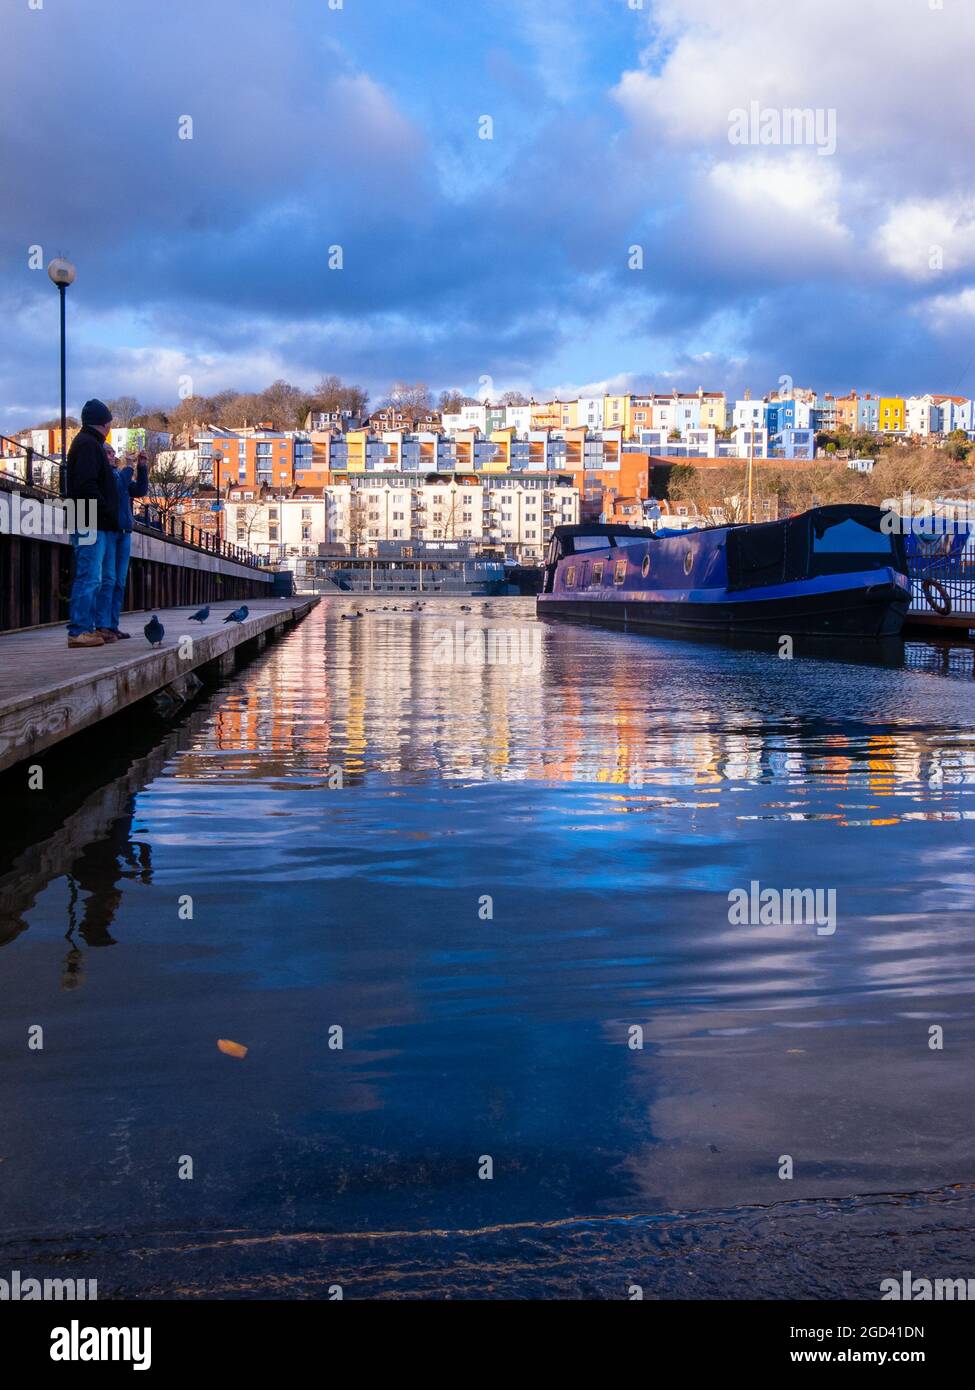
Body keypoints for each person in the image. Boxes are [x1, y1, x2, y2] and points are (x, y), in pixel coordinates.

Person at [65, 399, 120, 648]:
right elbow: (86, 484)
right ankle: (79, 631)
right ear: (105, 423)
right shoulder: (88, 445)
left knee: (93, 576)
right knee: (89, 576)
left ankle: (88, 627)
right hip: (88, 517)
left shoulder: (88, 443)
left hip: (87, 516)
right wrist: (106, 508)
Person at [100, 443, 149, 639]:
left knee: (119, 581)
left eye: (113, 452)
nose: (112, 456)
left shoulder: (119, 474)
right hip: (110, 531)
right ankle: (103, 624)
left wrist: (142, 467)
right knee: (109, 579)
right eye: (108, 453)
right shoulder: (106, 476)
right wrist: (129, 466)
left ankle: (113, 625)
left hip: (124, 531)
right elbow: (118, 487)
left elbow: (139, 490)